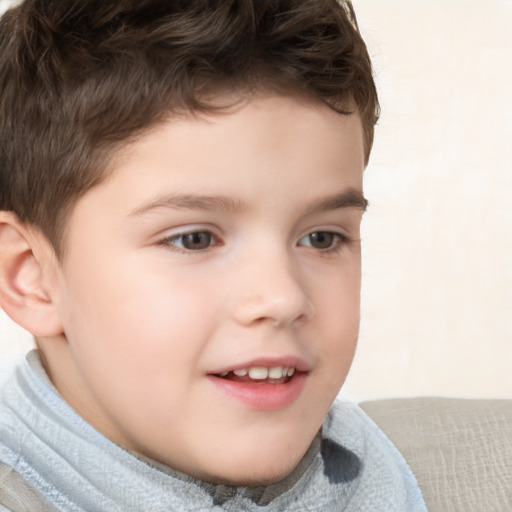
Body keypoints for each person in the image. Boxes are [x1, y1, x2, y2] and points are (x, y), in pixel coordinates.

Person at [0, 1, 426, 510]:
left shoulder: (487, 461)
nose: (283, 297)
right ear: (30, 277)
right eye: (194, 239)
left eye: (322, 238)